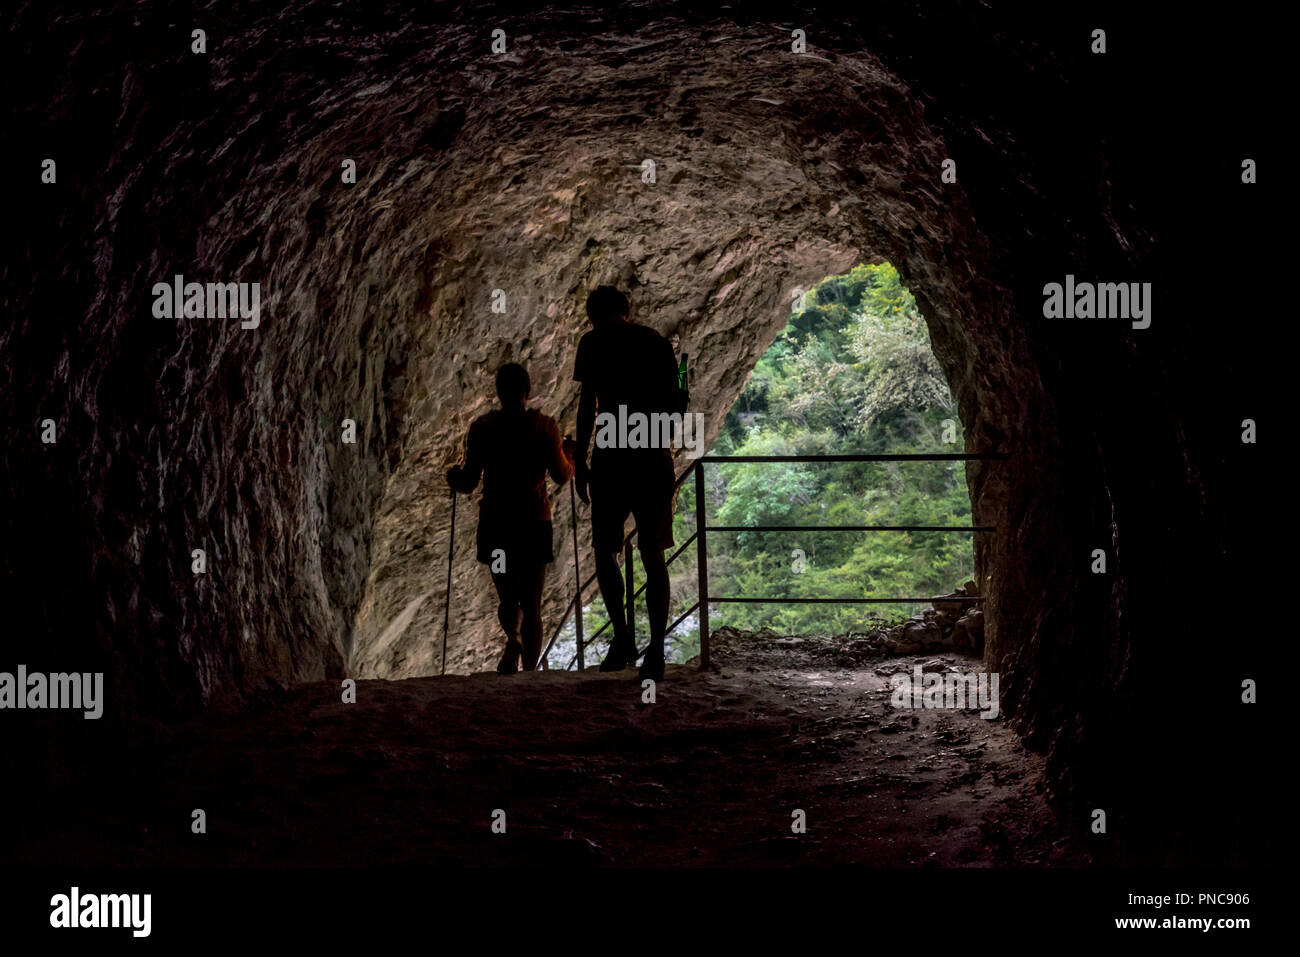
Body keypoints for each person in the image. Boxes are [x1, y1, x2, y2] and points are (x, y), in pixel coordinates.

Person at [573, 285, 683, 681]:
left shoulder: (592, 343)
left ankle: (621, 637)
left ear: (593, 315)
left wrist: (581, 460)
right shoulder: (654, 341)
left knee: (605, 550)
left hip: (610, 457)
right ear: (626, 309)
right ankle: (655, 648)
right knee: (652, 553)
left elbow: (589, 404)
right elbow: (677, 400)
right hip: (651, 453)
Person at [447, 363, 574, 673]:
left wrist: (453, 476)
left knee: (507, 595)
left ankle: (513, 637)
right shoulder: (544, 427)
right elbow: (561, 475)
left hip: (497, 526)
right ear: (527, 391)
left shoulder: (483, 428)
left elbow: (468, 482)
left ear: (499, 392)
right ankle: (529, 672)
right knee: (532, 604)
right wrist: (569, 454)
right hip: (533, 525)